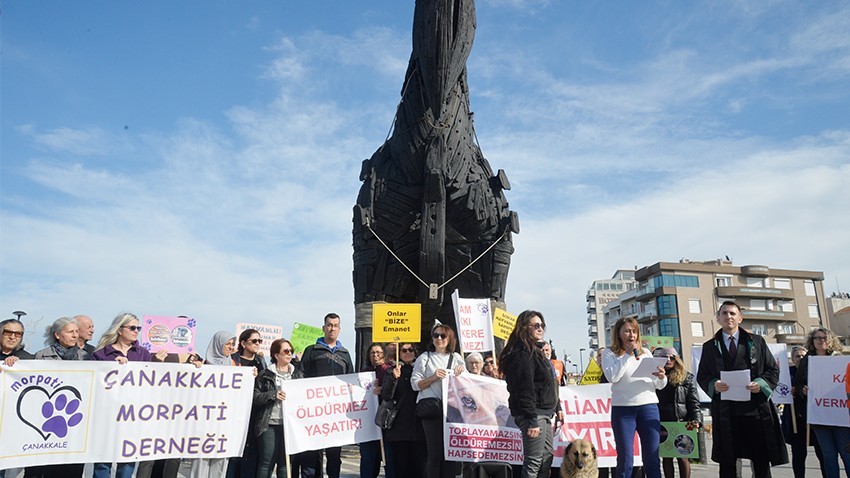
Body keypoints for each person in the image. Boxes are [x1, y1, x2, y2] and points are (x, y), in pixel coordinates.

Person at [696, 301, 788, 478]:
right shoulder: (709, 346)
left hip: (755, 410)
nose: (728, 316)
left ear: (740, 317)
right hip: (726, 411)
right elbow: (703, 375)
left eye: (732, 313)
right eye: (724, 313)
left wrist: (760, 384)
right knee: (728, 460)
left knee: (760, 459)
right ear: (718, 318)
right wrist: (714, 384)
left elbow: (772, 369)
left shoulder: (757, 342)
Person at [499, 310, 563, 478]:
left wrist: (557, 407)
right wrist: (531, 419)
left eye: (541, 325)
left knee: (546, 459)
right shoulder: (522, 354)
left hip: (544, 413)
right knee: (534, 462)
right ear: (524, 328)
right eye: (535, 325)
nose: (540, 328)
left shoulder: (536, 353)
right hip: (533, 414)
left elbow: (548, 383)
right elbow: (524, 389)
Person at [602, 317, 666, 478]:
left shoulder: (646, 353)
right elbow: (613, 377)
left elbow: (659, 385)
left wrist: (661, 376)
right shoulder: (609, 353)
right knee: (625, 458)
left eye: (634, 331)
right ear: (618, 333)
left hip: (648, 407)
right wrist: (627, 355)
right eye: (627, 331)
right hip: (623, 410)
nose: (632, 335)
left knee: (652, 457)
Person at [91, 312, 152, 478]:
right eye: (132, 327)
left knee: (127, 462)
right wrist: (113, 367)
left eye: (138, 328)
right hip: (106, 414)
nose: (136, 331)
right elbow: (95, 383)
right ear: (119, 330)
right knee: (103, 461)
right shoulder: (101, 354)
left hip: (132, 415)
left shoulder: (143, 354)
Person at [26, 317, 88, 478]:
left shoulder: (86, 357)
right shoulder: (41, 356)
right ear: (58, 335)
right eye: (70, 332)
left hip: (74, 425)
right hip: (44, 418)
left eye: (76, 331)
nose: (75, 335)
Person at [299, 313, 354, 478]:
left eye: (335, 325)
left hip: (335, 415)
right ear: (324, 328)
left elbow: (351, 379)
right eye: (329, 325)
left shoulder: (345, 354)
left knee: (334, 456)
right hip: (314, 412)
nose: (332, 328)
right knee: (311, 454)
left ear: (339, 329)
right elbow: (301, 376)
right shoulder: (311, 351)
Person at [794, 327, 849, 478]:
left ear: (831, 340)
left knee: (847, 454)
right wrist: (802, 389)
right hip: (819, 416)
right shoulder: (806, 361)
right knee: (828, 455)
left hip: (840, 416)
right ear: (812, 341)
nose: (821, 340)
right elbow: (797, 383)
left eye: (824, 338)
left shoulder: (840, 358)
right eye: (817, 338)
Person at [412, 322, 465, 478]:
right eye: (436, 335)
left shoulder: (456, 358)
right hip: (431, 410)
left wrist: (461, 373)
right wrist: (433, 377)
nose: (439, 338)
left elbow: (466, 385)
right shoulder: (425, 357)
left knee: (450, 453)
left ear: (450, 339)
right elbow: (415, 385)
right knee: (435, 452)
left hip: (451, 411)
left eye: (443, 335)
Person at [190, 332, 238, 478]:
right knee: (201, 460)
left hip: (223, 421)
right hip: (204, 421)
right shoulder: (203, 365)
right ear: (218, 345)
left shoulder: (233, 364)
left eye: (232, 344)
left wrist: (250, 375)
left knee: (220, 460)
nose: (230, 347)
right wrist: (194, 369)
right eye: (227, 344)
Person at [254, 338, 302, 478]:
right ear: (276, 355)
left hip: (289, 425)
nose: (289, 354)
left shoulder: (297, 374)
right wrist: (273, 395)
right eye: (286, 351)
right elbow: (256, 397)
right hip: (269, 424)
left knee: (285, 464)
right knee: (267, 462)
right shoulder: (265, 374)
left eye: (291, 351)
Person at [653, 347, 702, 478]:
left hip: (682, 422)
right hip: (662, 422)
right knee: (667, 457)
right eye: (665, 357)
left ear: (677, 359)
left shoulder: (686, 377)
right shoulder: (655, 376)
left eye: (672, 357)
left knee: (683, 456)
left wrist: (696, 420)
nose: (668, 360)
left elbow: (693, 401)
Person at [383, 343, 426, 478]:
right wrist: (393, 379)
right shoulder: (392, 371)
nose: (408, 352)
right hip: (399, 428)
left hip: (418, 427)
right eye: (404, 350)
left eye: (410, 350)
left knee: (419, 467)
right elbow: (386, 396)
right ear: (399, 353)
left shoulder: (422, 370)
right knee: (401, 467)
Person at [228, 329, 267, 478]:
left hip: (253, 412)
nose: (258, 344)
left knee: (250, 453)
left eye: (260, 341)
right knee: (234, 452)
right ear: (243, 343)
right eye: (254, 341)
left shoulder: (261, 362)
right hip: (234, 412)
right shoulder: (232, 360)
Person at [783, 346, 825, 478]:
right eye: (797, 356)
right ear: (792, 359)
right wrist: (788, 391)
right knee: (799, 455)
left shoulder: (814, 371)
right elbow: (780, 390)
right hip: (797, 420)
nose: (801, 358)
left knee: (822, 454)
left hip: (815, 418)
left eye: (803, 356)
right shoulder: (787, 373)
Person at [360, 342, 389, 478]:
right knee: (368, 459)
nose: (375, 355)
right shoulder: (364, 373)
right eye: (372, 353)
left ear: (384, 354)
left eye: (378, 352)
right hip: (368, 422)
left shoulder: (389, 370)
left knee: (387, 458)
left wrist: (382, 390)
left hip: (385, 421)